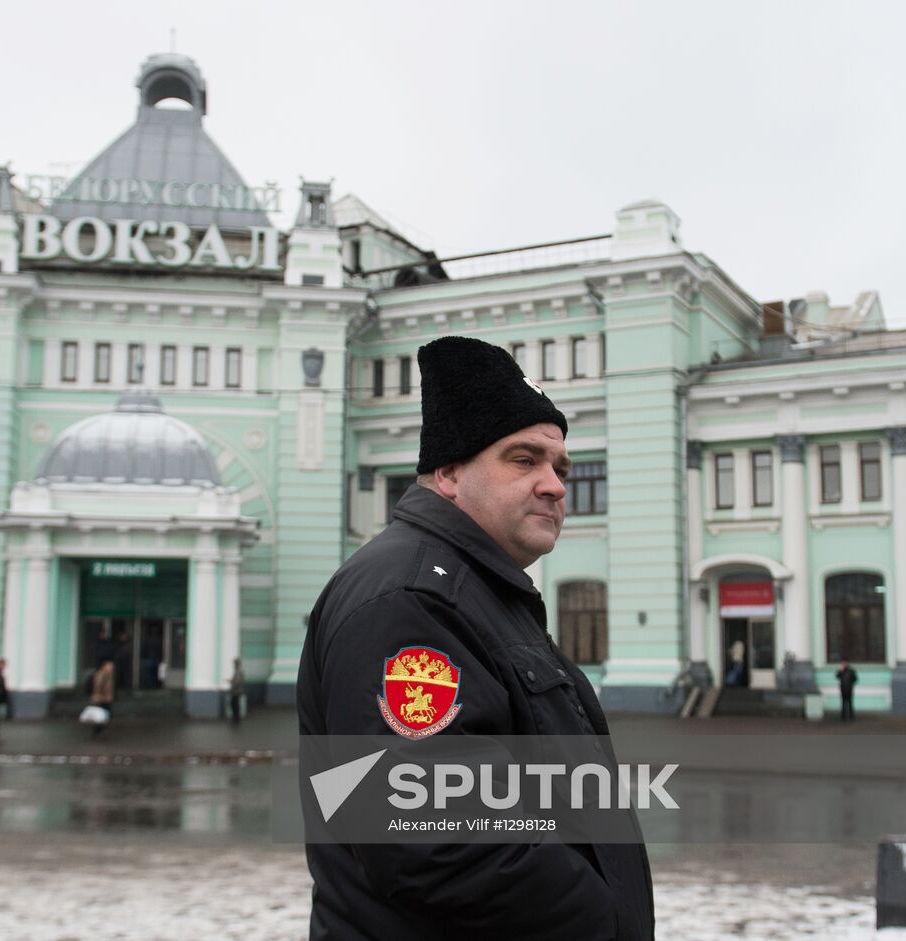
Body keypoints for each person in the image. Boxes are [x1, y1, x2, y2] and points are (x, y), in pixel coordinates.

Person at [298, 337, 654, 940]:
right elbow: (435, 837)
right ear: (449, 472)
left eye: (559, 467)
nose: (556, 486)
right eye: (524, 460)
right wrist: (603, 922)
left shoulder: (479, 590)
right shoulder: (412, 600)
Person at [89, 660, 115, 738]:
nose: (111, 669)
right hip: (101, 699)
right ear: (104, 667)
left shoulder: (109, 675)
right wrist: (97, 696)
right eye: (109, 666)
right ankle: (97, 731)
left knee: (105, 716)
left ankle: (99, 731)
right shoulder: (101, 675)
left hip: (106, 699)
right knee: (101, 716)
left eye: (112, 667)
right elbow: (97, 687)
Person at [228, 658, 245, 725]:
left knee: (234, 703)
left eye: (234, 663)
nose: (233, 665)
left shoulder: (238, 671)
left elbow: (237, 681)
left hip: (236, 690)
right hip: (237, 690)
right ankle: (236, 717)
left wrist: (231, 682)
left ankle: (236, 718)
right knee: (235, 703)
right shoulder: (238, 671)